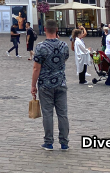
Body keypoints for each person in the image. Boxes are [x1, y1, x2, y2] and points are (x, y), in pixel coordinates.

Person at [31, 19, 69, 151]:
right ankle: (64, 143)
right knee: (62, 114)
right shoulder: (64, 45)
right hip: (61, 82)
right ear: (57, 30)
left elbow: (36, 68)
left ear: (45, 29)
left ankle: (49, 142)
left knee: (48, 113)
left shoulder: (41, 47)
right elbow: (65, 59)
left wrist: (33, 85)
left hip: (45, 84)